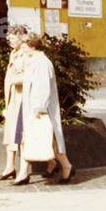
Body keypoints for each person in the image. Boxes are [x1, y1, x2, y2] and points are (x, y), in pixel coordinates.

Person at [13, 32, 76, 186]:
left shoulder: (41, 62)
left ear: (31, 46)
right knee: (28, 138)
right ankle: (23, 172)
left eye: (24, 46)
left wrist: (39, 108)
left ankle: (66, 166)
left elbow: (42, 87)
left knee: (46, 139)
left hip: (38, 109)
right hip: (31, 107)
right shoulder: (35, 60)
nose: (23, 49)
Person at [0, 25, 31, 181]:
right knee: (10, 132)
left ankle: (29, 169)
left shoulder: (26, 54)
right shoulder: (13, 53)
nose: (10, 41)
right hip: (12, 98)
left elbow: (29, 76)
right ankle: (10, 167)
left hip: (22, 98)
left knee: (20, 134)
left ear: (22, 38)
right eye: (8, 37)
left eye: (13, 38)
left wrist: (14, 81)